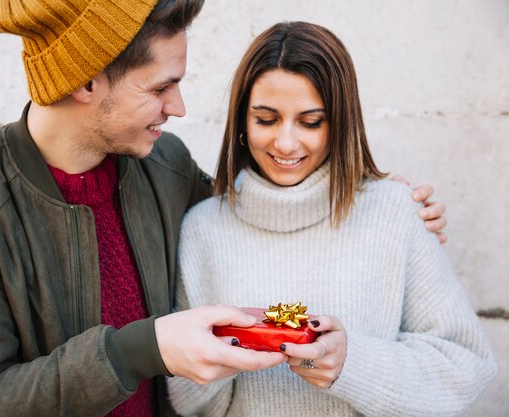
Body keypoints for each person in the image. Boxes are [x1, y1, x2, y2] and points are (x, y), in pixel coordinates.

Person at [0, 1, 446, 416]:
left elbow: (258, 211)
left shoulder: (165, 164)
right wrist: (140, 350)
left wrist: (377, 198)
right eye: (162, 87)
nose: (178, 107)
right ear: (85, 79)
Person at [167, 21, 495, 417]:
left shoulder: (394, 212)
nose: (286, 143)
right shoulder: (202, 228)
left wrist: (351, 364)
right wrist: (224, 353)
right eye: (266, 119)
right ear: (241, 120)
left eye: (310, 122)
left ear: (339, 122)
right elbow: (185, 401)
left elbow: (466, 367)